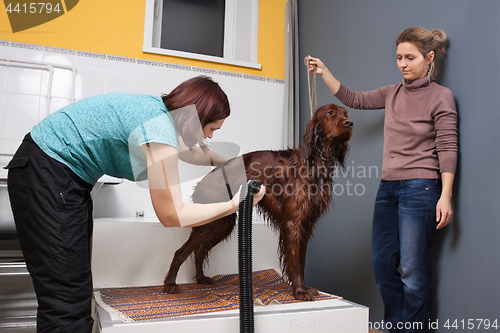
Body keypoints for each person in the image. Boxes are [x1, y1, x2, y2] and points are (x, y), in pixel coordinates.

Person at [5, 75, 265, 333]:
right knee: (66, 300)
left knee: (73, 287)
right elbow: (172, 214)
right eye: (211, 129)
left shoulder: (161, 115)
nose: (209, 138)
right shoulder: (159, 129)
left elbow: (194, 152)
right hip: (47, 172)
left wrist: (231, 164)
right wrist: (236, 204)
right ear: (194, 120)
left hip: (58, 176)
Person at [306, 27, 457, 332]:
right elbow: (355, 99)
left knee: (413, 270)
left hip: (422, 187)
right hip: (388, 188)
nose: (402, 63)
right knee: (383, 266)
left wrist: (446, 195)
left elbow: (448, 146)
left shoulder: (441, 97)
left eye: (410, 57)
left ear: (429, 58)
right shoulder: (392, 93)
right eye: (399, 57)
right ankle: (397, 326)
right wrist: (324, 72)